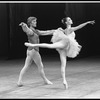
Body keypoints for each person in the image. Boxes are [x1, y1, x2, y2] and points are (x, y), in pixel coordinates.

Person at [25, 17, 95, 89]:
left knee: (62, 63)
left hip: (64, 47)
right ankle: (33, 45)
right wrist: (87, 23)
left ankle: (64, 80)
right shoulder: (70, 29)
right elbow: (79, 27)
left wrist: (76, 44)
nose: (71, 20)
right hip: (64, 44)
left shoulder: (65, 30)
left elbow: (70, 37)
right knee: (52, 48)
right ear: (66, 23)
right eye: (69, 20)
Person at [17, 16, 54, 87]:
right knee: (40, 66)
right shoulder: (31, 31)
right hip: (34, 51)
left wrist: (56, 31)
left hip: (29, 51)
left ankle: (19, 81)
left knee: (26, 66)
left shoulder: (35, 31)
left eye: (35, 21)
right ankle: (45, 80)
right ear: (30, 23)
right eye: (34, 21)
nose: (35, 22)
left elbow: (46, 32)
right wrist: (24, 26)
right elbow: (27, 30)